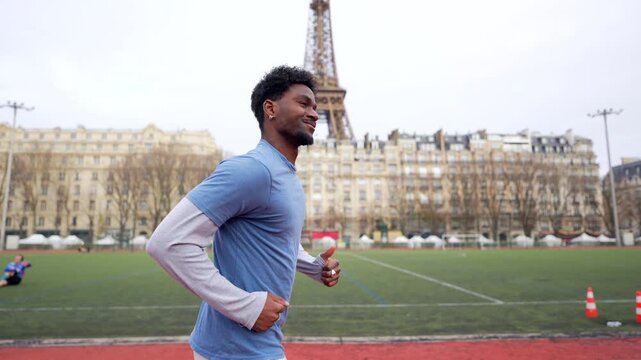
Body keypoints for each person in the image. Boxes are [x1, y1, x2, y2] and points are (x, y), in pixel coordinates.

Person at [147, 65, 341, 360]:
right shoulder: (251, 170)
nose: (314, 113)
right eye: (303, 103)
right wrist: (245, 306)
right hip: (234, 351)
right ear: (270, 108)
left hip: (255, 346)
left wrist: (312, 267)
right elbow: (167, 242)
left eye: (315, 106)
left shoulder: (285, 176)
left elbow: (277, 238)